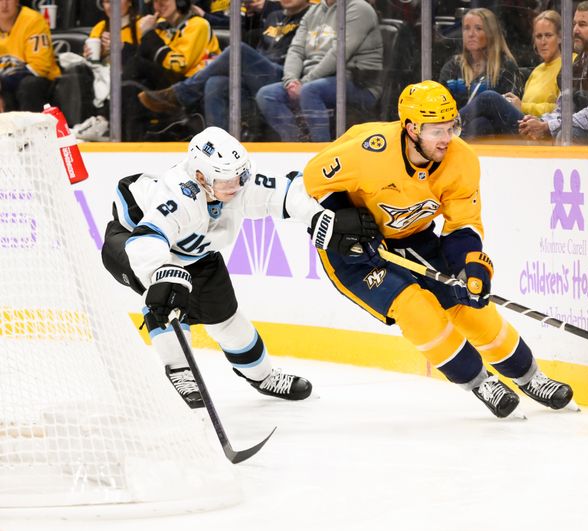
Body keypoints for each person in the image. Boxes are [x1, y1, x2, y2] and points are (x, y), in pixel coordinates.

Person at [301, 80, 574, 418]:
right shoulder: (369, 151)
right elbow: (313, 178)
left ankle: (531, 376)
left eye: (452, 127)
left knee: (469, 306)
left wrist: (471, 266)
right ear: (411, 128)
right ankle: (479, 381)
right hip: (356, 251)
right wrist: (345, 216)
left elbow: (463, 224)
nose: (447, 138)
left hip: (414, 237)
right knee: (416, 309)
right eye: (436, 131)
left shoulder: (461, 159)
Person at [100, 126, 380, 408]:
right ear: (200, 177)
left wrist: (320, 217)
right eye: (226, 180)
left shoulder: (236, 185)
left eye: (240, 176)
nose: (236, 185)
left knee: (227, 319)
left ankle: (263, 376)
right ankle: (180, 372)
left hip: (196, 253)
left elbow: (285, 193)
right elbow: (147, 240)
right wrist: (158, 276)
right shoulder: (177, 196)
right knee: (167, 299)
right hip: (131, 242)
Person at [138, 0, 310, 132]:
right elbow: (261, 48)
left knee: (238, 49)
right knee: (216, 82)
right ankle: (218, 146)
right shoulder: (274, 17)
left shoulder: (310, 15)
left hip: (285, 76)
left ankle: (180, 94)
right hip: (261, 73)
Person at [255, 0, 383, 142]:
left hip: (356, 83)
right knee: (267, 95)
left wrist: (303, 83)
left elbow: (339, 53)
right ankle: (296, 145)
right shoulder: (313, 11)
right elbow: (296, 50)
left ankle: (320, 150)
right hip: (313, 81)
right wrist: (291, 81)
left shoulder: (359, 8)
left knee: (310, 91)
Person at [519, 1, 588, 143]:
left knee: (566, 135)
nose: (575, 30)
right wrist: (540, 121)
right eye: (575, 24)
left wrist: (547, 126)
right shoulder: (576, 62)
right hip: (571, 127)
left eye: (583, 24)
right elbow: (561, 109)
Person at [458, 10, 568, 139]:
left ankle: (449, 123)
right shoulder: (537, 71)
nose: (543, 42)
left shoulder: (569, 64)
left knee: (489, 97)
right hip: (525, 123)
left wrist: (523, 106)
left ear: (560, 37)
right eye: (539, 36)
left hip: (543, 128)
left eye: (548, 35)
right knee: (482, 123)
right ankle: (449, 145)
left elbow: (564, 110)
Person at [122, 0, 221, 140]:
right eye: (155, 2)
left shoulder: (198, 25)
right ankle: (128, 136)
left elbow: (178, 65)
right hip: (168, 86)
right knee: (134, 79)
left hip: (191, 88)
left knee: (136, 65)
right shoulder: (160, 27)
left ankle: (125, 135)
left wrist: (149, 35)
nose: (159, 5)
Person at [70, 0, 143, 141]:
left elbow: (144, 59)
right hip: (102, 74)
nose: (112, 6)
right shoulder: (100, 27)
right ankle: (89, 124)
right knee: (79, 72)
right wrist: (91, 54)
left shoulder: (141, 24)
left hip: (130, 75)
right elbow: (94, 60)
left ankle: (105, 124)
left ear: (129, 3)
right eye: (107, 2)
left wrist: (121, 48)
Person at [438, 7, 524, 110]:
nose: (471, 34)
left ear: (491, 33)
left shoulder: (506, 66)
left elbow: (509, 110)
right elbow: (440, 103)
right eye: (466, 28)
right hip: (454, 124)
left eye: (478, 28)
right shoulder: (453, 66)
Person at [0, 0, 61, 113]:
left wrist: (2, 84)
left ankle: (33, 129)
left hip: (41, 84)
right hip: (6, 85)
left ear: (17, 1)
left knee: (29, 85)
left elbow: (40, 68)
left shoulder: (33, 20)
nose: (4, 4)